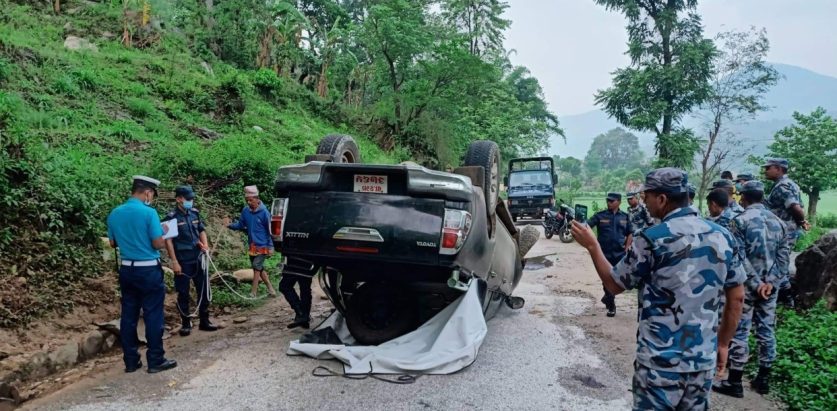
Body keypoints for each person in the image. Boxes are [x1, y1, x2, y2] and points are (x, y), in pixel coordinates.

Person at [571, 168, 745, 410]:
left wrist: (592, 246)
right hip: (701, 363)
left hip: (659, 365)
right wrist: (723, 343)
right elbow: (737, 298)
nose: (644, 201)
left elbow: (613, 284)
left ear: (662, 199)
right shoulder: (723, 236)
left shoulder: (652, 238)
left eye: (647, 196)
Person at [713, 181, 790, 398]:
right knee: (766, 329)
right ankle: (763, 377)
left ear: (743, 198)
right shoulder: (779, 222)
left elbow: (738, 257)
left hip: (746, 287)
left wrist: (756, 284)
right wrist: (771, 283)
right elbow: (783, 258)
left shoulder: (739, 221)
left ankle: (735, 380)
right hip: (770, 288)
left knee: (740, 330)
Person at [106, 176, 177, 374]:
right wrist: (163, 232)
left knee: (128, 315)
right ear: (147, 193)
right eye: (152, 195)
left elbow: (112, 243)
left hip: (127, 270)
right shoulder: (149, 213)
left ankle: (131, 361)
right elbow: (157, 243)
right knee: (153, 314)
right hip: (148, 270)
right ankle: (155, 359)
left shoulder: (115, 213)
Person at [163, 185, 218, 337]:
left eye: (192, 198)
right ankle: (186, 323)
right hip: (183, 260)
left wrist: (205, 245)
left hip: (199, 257)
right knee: (183, 292)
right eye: (188, 199)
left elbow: (201, 230)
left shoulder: (194, 213)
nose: (191, 201)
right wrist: (174, 261)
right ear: (178, 199)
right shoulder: (171, 217)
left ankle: (205, 321)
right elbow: (168, 241)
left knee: (203, 289)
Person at [763, 158, 810, 308]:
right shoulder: (785, 184)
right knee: (779, 262)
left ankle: (787, 298)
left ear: (778, 168)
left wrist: (802, 221)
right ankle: (784, 297)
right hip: (784, 229)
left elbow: (795, 207)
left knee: (779, 263)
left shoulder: (783, 186)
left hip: (785, 231)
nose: (766, 171)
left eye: (768, 168)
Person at [586, 192, 633, 317]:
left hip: (619, 253)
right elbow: (587, 226)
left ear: (619, 202)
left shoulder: (625, 217)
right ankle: (611, 305)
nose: (609, 203)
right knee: (606, 278)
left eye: (612, 201)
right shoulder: (600, 216)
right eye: (608, 201)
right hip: (604, 252)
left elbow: (630, 233)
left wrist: (627, 246)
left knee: (618, 279)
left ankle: (607, 297)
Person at [227, 185, 277, 298]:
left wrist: (271, 246)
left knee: (256, 265)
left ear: (257, 198)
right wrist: (229, 225)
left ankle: (253, 292)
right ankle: (271, 288)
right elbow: (240, 225)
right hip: (252, 245)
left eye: (251, 200)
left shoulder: (264, 213)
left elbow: (270, 231)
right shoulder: (245, 211)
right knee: (258, 268)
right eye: (247, 200)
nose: (249, 202)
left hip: (263, 245)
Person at [279, 257, 317, 329]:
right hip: (305, 260)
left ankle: (301, 314)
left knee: (285, 286)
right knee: (305, 289)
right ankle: (303, 316)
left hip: (296, 258)